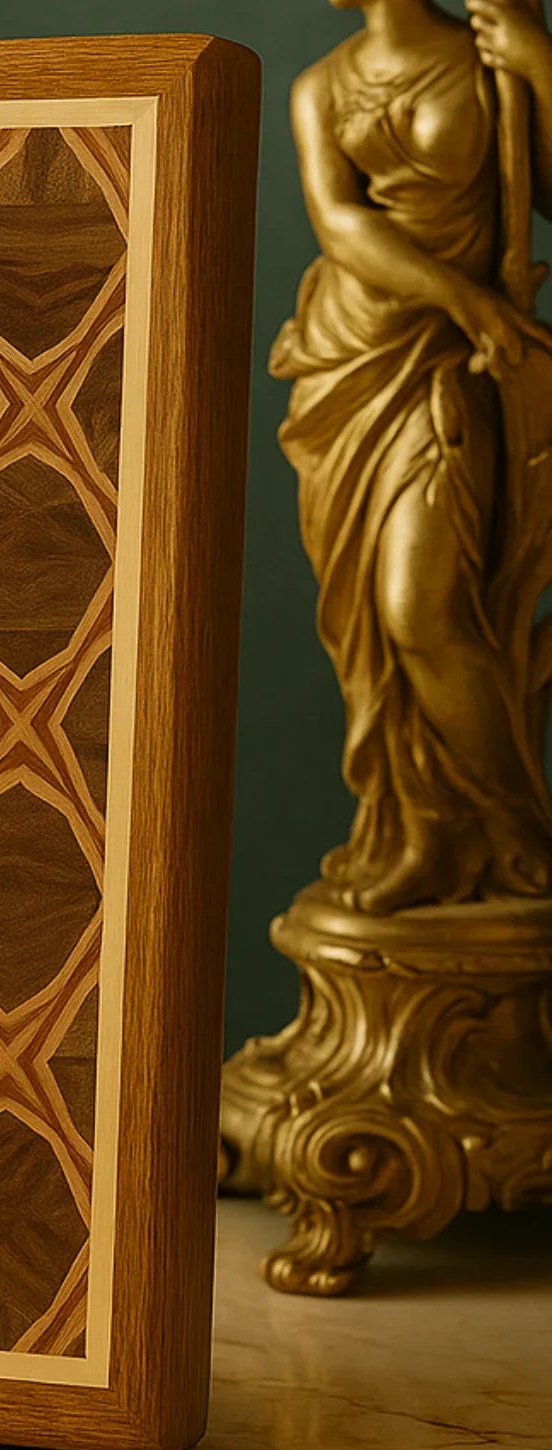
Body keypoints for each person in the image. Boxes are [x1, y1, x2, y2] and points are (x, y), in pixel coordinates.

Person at [273, 0, 552, 912]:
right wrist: (463, 301)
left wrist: (540, 64)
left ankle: (518, 833)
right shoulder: (321, 86)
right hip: (351, 354)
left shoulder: (490, 57)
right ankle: (426, 834)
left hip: (450, 366)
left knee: (420, 608)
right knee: (372, 631)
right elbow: (339, 221)